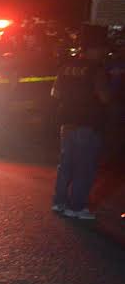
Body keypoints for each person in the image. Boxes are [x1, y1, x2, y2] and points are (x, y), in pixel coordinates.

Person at [51, 25, 112, 220]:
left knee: (66, 164)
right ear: (93, 49)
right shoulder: (97, 70)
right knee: (85, 166)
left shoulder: (66, 65)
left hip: (67, 121)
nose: (104, 52)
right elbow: (105, 97)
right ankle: (77, 207)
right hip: (88, 122)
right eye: (102, 48)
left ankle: (59, 202)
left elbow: (55, 92)